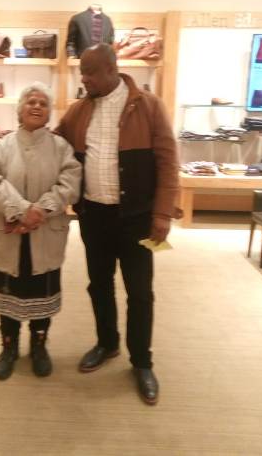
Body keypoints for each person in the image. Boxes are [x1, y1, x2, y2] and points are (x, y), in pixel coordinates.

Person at [56, 43, 179, 405]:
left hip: (138, 218)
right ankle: (107, 343)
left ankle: (142, 362)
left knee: (140, 292)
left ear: (112, 69)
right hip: (94, 216)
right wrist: (21, 136)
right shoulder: (79, 111)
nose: (84, 79)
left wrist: (162, 213)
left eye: (90, 72)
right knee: (99, 284)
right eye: (82, 72)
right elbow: (54, 143)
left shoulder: (149, 106)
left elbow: (168, 162)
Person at [0, 82, 81, 381]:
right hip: (8, 236)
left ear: (49, 112)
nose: (36, 106)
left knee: (40, 294)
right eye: (31, 102)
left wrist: (42, 209)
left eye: (43, 103)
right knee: (8, 294)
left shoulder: (61, 147)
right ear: (20, 109)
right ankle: (8, 348)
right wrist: (21, 209)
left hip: (45, 236)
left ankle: (39, 347)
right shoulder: (3, 145)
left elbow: (71, 183)